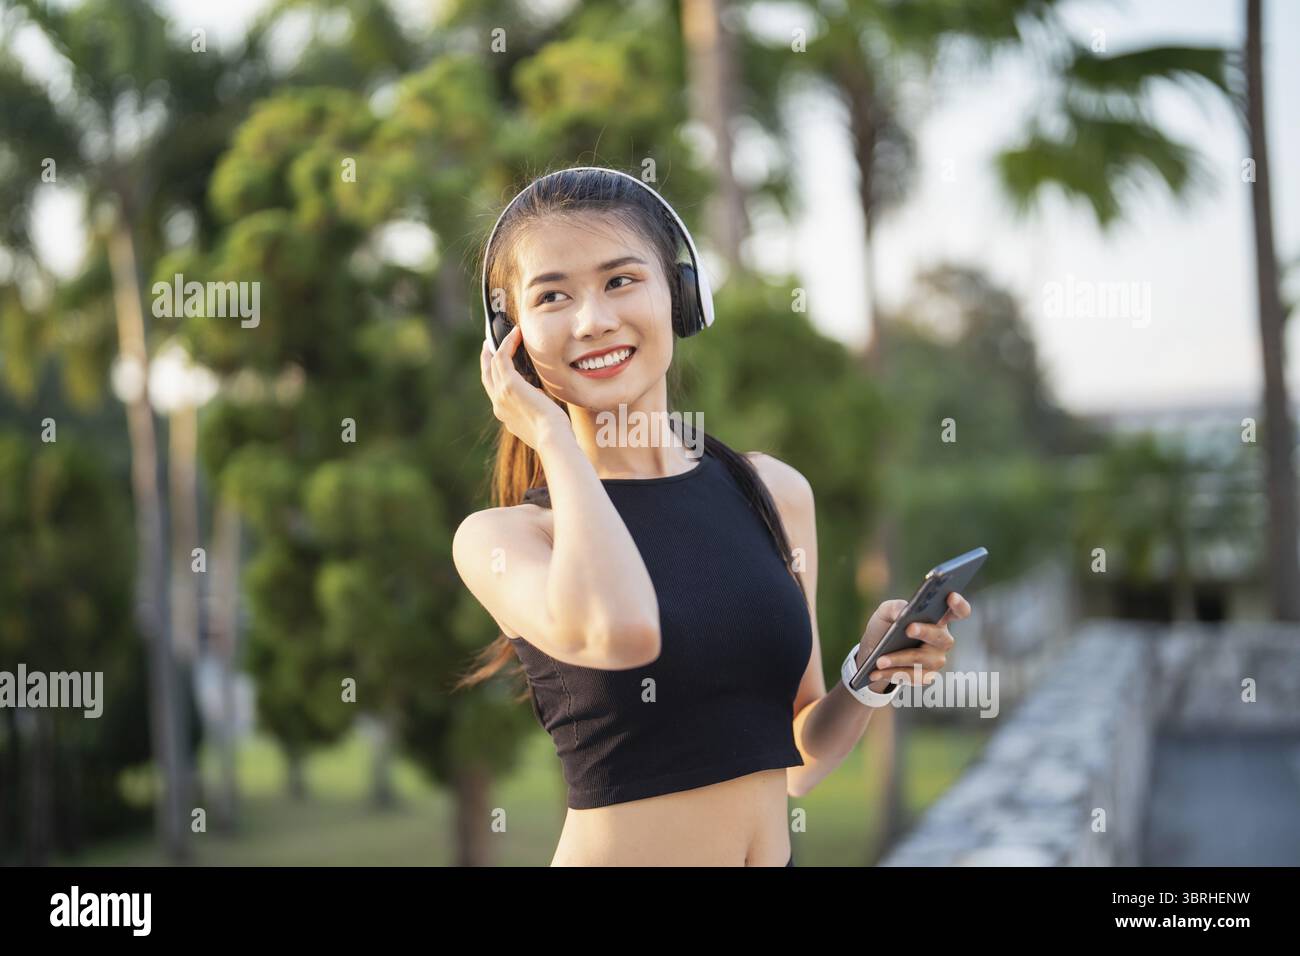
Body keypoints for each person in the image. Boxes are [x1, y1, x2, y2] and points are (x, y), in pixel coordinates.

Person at [451, 166, 970, 866]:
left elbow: (796, 761)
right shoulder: (505, 539)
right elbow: (621, 629)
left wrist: (868, 677)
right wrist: (550, 435)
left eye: (620, 281)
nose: (593, 320)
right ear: (510, 337)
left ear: (681, 297)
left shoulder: (773, 492)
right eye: (552, 296)